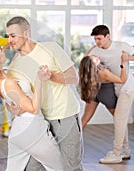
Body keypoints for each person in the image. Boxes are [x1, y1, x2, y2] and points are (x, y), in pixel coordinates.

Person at [0, 40, 63, 171]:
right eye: (0, 49)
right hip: (33, 130)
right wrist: (39, 79)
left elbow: (13, 102)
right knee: (61, 168)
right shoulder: (7, 83)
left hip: (19, 131)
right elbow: (34, 109)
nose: (4, 50)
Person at [5, 16, 83, 171]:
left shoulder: (51, 48)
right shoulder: (15, 64)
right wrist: (14, 108)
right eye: (8, 36)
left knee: (71, 166)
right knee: (34, 167)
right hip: (38, 122)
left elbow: (73, 77)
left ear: (26, 33)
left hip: (64, 116)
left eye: (13, 35)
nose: (10, 40)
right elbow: (18, 94)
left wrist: (51, 76)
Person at [86, 25, 134, 164]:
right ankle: (125, 150)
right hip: (115, 87)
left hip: (127, 88)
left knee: (119, 119)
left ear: (107, 36)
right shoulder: (96, 49)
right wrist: (92, 55)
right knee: (120, 120)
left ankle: (117, 153)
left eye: (99, 38)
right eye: (95, 39)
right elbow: (85, 59)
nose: (97, 42)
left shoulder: (121, 46)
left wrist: (128, 58)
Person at [79, 55, 126, 129]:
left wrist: (95, 46)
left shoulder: (90, 71)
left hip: (94, 92)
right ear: (93, 65)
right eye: (96, 58)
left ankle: (74, 139)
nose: (97, 57)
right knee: (119, 120)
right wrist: (123, 63)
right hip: (106, 94)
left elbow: (86, 58)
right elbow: (122, 80)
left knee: (84, 119)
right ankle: (122, 140)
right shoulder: (103, 72)